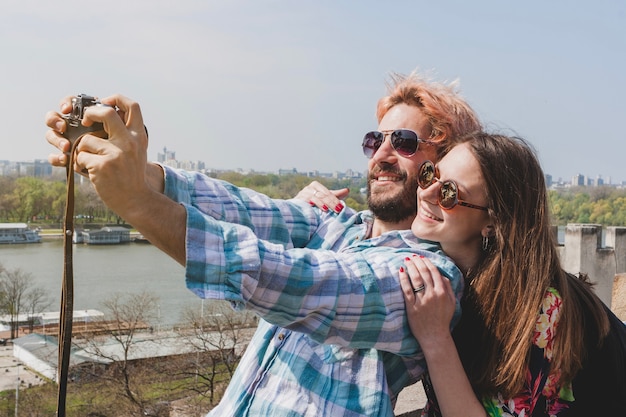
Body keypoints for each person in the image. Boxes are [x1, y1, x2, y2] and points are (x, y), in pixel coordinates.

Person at [44, 72, 482, 416]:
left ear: (443, 169)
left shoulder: (431, 279)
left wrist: (138, 203)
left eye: (403, 142)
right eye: (375, 140)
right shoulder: (339, 227)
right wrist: (138, 170)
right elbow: (240, 207)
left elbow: (300, 283)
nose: (381, 155)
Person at [396, 132, 626, 416]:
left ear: (492, 221)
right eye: (429, 175)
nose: (427, 193)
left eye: (450, 193)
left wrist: (435, 339)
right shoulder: (456, 273)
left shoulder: (539, 312)